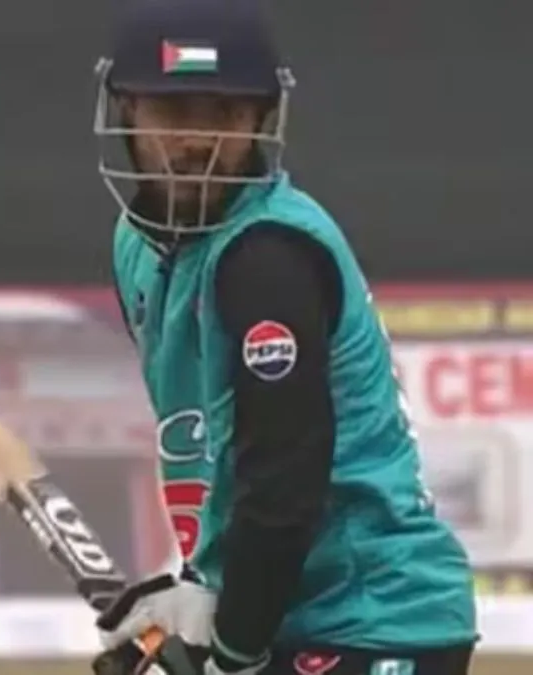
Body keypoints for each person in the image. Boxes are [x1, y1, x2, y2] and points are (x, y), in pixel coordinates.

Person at [89, 0, 477, 673]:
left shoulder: (267, 257)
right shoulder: (136, 248)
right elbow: (218, 457)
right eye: (173, 112)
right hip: (294, 613)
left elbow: (284, 481)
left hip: (375, 618)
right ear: (127, 111)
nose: (196, 141)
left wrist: (233, 648)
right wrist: (198, 593)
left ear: (263, 120)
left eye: (224, 114)